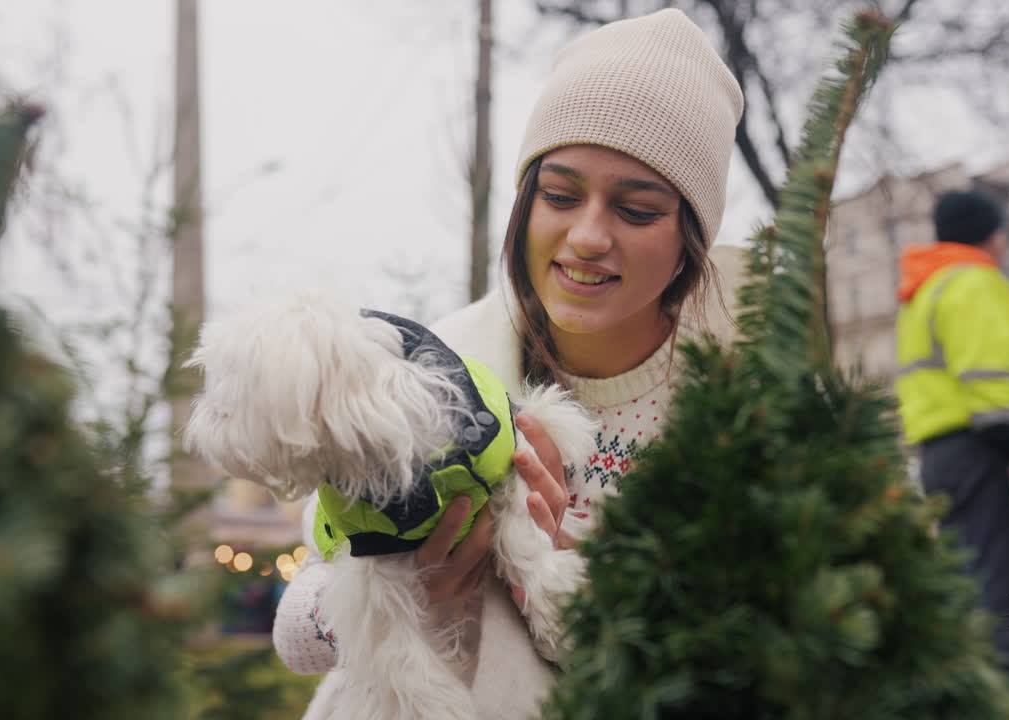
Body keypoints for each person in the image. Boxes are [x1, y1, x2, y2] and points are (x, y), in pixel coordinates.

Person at [272, 9, 746, 718]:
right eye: (559, 196)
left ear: (691, 239)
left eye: (637, 210)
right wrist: (405, 586)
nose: (587, 236)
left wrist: (563, 569)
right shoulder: (438, 370)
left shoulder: (747, 407)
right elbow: (296, 633)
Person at [894, 188, 1009, 677]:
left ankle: (963, 688)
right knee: (999, 592)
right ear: (989, 235)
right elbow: (991, 380)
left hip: (945, 454)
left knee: (968, 580)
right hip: (984, 453)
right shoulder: (974, 281)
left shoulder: (927, 288)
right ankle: (993, 694)